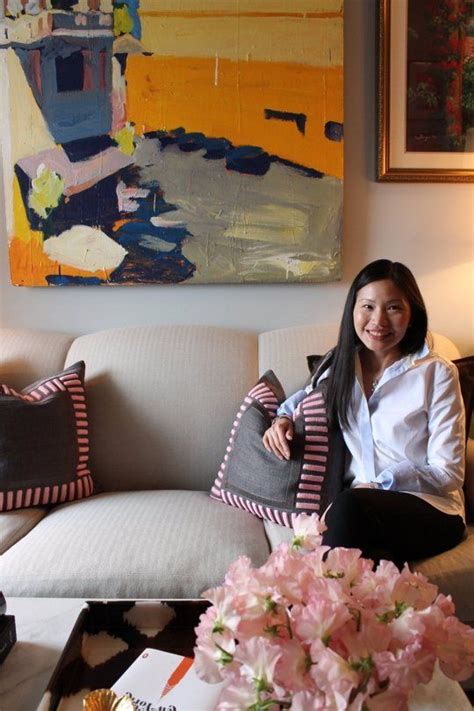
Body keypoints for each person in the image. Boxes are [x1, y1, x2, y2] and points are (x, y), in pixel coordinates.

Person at [263, 259, 466, 567]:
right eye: (368, 306)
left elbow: (448, 473)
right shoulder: (339, 364)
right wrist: (282, 420)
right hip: (359, 512)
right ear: (353, 311)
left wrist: (383, 482)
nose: (379, 320)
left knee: (348, 510)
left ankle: (299, 607)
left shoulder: (437, 373)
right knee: (370, 563)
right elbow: (299, 400)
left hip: (430, 509)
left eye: (394, 308)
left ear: (412, 315)